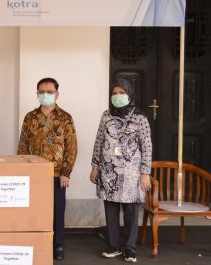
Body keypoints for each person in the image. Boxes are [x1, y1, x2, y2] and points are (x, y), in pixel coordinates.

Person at [90, 79, 152, 263]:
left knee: (131, 211)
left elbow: (147, 147)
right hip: (108, 170)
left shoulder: (140, 118)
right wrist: (95, 166)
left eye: (122, 93)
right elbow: (99, 141)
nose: (117, 96)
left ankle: (130, 248)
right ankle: (113, 245)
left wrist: (145, 173)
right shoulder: (106, 115)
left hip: (132, 173)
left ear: (130, 95)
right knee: (111, 209)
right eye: (114, 93)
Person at [17, 77, 77, 261]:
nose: (45, 95)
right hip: (33, 174)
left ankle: (58, 245)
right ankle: (36, 242)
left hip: (57, 174)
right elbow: (22, 145)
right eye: (42, 92)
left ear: (57, 94)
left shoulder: (65, 118)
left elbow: (71, 147)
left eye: (49, 92)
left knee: (57, 210)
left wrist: (66, 173)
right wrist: (22, 170)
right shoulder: (30, 117)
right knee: (34, 209)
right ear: (37, 93)